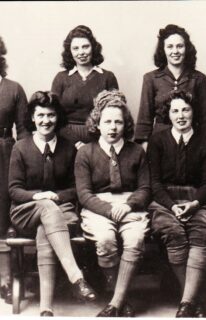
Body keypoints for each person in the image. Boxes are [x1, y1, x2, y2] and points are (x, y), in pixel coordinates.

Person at [8, 91, 96, 317]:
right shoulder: (21, 147)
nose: (46, 121)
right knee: (46, 207)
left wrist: (57, 197)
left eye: (51, 115)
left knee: (44, 228)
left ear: (58, 118)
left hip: (59, 211)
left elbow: (76, 188)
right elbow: (14, 189)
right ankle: (76, 276)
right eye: (40, 116)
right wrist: (39, 196)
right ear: (32, 118)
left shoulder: (69, 148)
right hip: (25, 210)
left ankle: (46, 308)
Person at [75, 90, 150, 317]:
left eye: (118, 122)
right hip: (98, 207)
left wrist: (127, 205)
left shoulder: (136, 151)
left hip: (130, 206)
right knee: (106, 240)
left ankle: (115, 303)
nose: (113, 127)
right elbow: (84, 194)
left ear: (125, 124)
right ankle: (120, 299)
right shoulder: (85, 153)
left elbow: (145, 188)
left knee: (134, 239)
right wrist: (109, 210)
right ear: (97, 123)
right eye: (107, 121)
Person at [147, 90, 206, 317]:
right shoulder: (157, 141)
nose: (181, 115)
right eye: (175, 111)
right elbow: (155, 183)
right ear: (168, 114)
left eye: (185, 109)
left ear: (193, 112)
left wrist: (195, 204)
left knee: (201, 232)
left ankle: (186, 302)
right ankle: (194, 298)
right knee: (173, 232)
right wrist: (171, 205)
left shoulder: (205, 142)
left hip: (197, 200)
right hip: (165, 202)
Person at [135, 24, 206, 149]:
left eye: (180, 46)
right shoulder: (151, 79)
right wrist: (146, 148)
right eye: (170, 46)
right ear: (163, 50)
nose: (175, 51)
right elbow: (144, 120)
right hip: (160, 144)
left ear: (187, 49)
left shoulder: (199, 78)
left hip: (192, 142)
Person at [51, 25, 118, 149]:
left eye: (85, 47)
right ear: (70, 52)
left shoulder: (108, 77)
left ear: (93, 47)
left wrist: (95, 143)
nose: (81, 52)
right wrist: (75, 142)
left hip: (99, 140)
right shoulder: (60, 78)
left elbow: (115, 114)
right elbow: (54, 115)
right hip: (65, 140)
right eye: (75, 48)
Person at [0, 36, 28, 305]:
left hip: (4, 153)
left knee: (2, 214)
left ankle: (5, 280)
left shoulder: (13, 89)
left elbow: (24, 132)